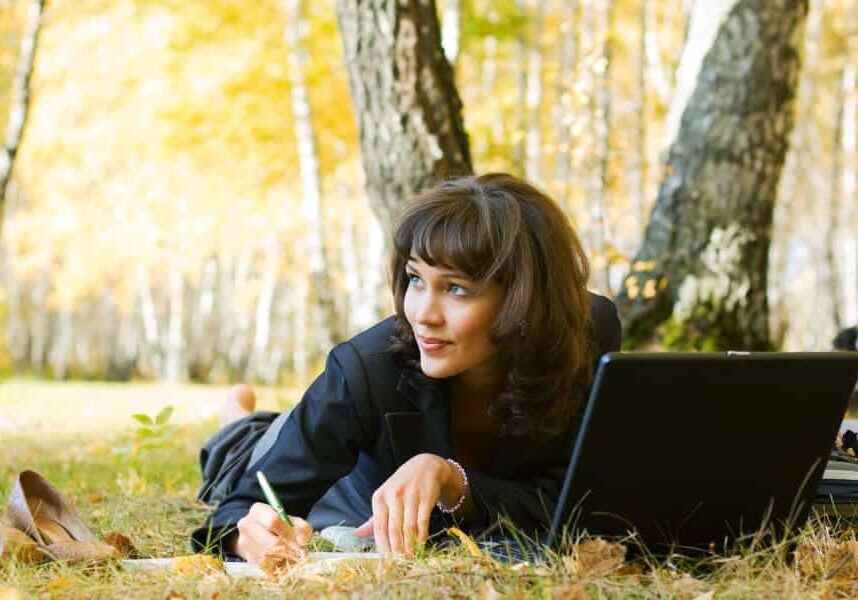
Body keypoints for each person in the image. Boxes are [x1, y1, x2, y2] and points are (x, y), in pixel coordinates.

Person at [191, 173, 622, 563]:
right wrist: (245, 537)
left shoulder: (586, 335)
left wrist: (454, 480)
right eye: (416, 279)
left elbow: (570, 502)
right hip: (345, 475)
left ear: (523, 299)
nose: (423, 315)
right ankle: (236, 419)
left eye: (456, 289)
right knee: (248, 454)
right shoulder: (365, 367)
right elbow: (243, 506)